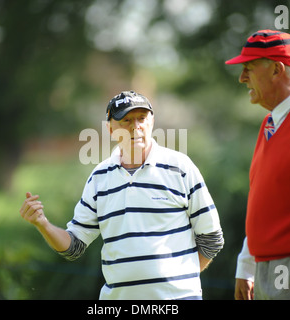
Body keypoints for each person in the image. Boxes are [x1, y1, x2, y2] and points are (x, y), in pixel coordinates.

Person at [20, 90, 224, 300]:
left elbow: (212, 238)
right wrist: (43, 224)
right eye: (126, 120)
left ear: (151, 122)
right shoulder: (99, 178)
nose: (135, 127)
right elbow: (74, 246)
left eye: (142, 119)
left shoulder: (180, 168)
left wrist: (180, 279)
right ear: (110, 129)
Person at [225, 30, 290, 300]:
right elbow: (264, 203)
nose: (242, 77)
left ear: (277, 70)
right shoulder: (270, 123)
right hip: (271, 269)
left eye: (249, 68)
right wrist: (246, 265)